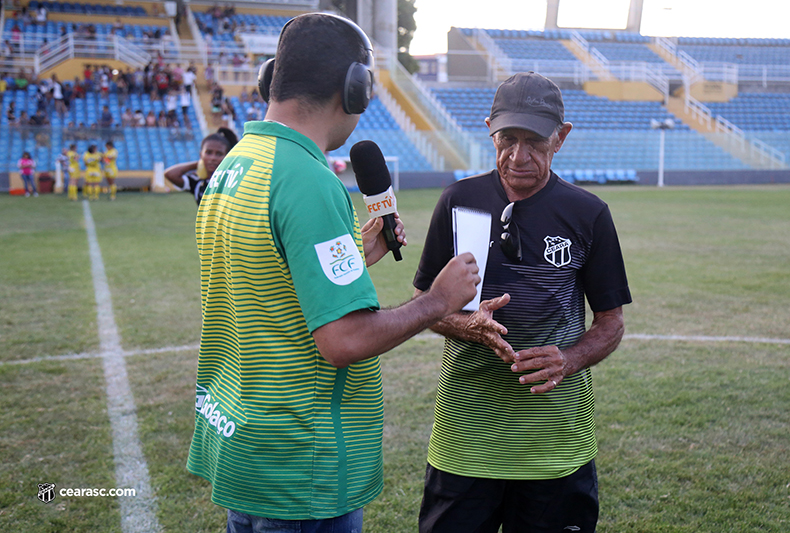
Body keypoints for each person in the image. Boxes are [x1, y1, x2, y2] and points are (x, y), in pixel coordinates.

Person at [185, 13, 481, 533]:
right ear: (356, 87)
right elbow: (343, 340)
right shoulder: (308, 178)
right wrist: (437, 300)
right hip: (302, 464)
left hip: (246, 445)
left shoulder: (235, 163)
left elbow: (261, 273)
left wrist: (352, 257)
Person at [413, 72, 632, 533]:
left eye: (534, 141)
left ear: (561, 138)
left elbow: (611, 323)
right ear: (490, 128)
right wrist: (464, 324)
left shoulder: (588, 213)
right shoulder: (458, 201)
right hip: (465, 443)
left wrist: (568, 359)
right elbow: (425, 304)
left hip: (556, 448)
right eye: (506, 138)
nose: (518, 156)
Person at [164, 127, 237, 206]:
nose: (213, 158)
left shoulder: (232, 181)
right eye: (208, 153)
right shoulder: (198, 181)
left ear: (227, 156)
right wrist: (199, 163)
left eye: (219, 154)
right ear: (201, 154)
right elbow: (170, 174)